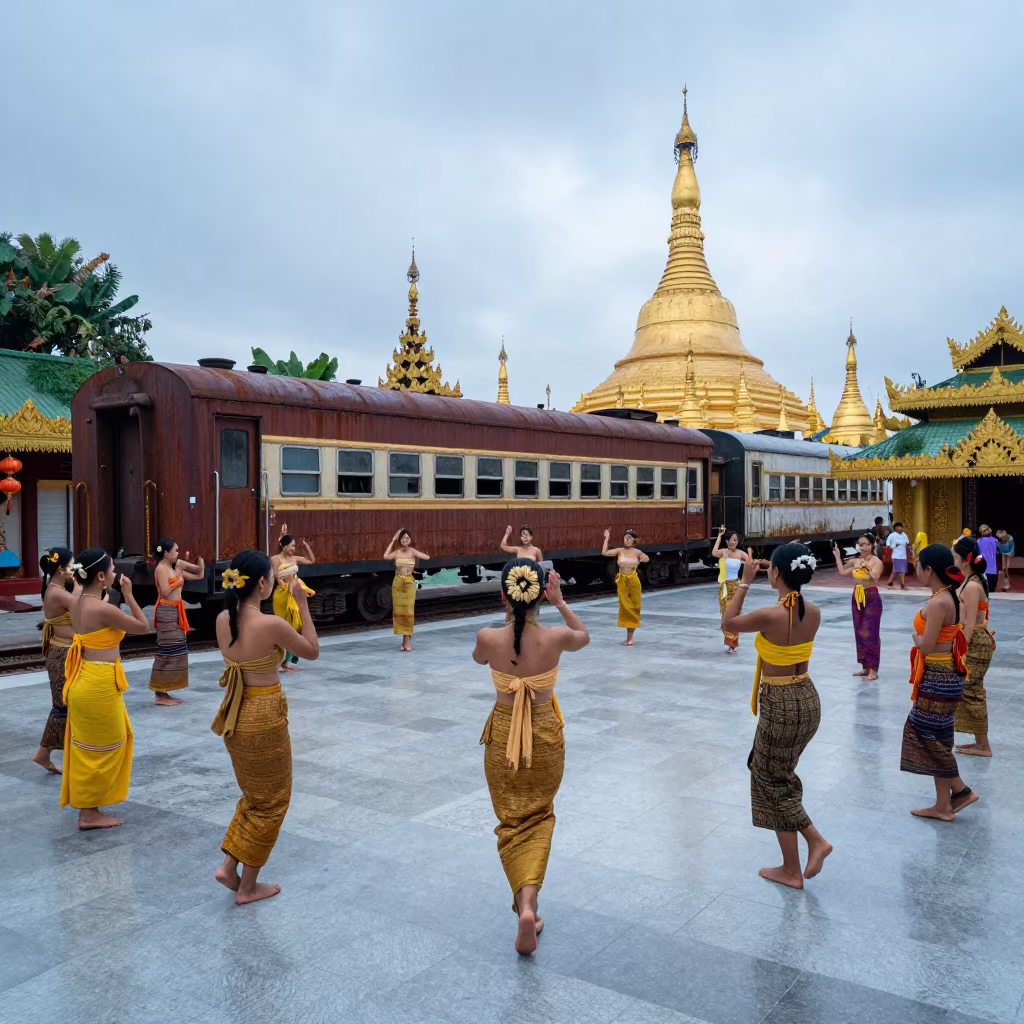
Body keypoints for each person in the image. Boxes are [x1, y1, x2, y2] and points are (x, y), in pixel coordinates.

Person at [474, 559, 589, 953]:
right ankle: (529, 905)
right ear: (543, 593)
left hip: (503, 737)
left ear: (503, 594)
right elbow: (583, 635)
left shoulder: (488, 638)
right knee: (539, 815)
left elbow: (478, 658)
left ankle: (526, 906)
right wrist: (560, 602)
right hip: (544, 736)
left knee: (510, 819)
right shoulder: (556, 638)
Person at [721, 542, 832, 889]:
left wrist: (743, 583)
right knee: (776, 775)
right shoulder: (811, 611)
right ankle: (791, 869)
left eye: (770, 569)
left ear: (777, 573)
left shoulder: (771, 615)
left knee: (769, 777)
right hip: (807, 697)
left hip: (781, 701)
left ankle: (815, 840)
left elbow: (729, 623)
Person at [211, 549, 319, 904]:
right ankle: (247, 886)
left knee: (254, 797)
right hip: (264, 715)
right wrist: (301, 604)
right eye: (272, 575)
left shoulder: (222, 620)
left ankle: (230, 866)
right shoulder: (271, 624)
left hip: (235, 713)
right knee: (273, 801)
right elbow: (311, 650)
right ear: (262, 583)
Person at [61, 549, 149, 829]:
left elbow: (95, 612)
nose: (115, 573)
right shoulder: (103, 609)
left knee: (88, 748)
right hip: (98, 683)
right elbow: (142, 626)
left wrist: (108, 598)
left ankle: (89, 806)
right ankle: (88, 813)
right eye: (111, 570)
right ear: (101, 576)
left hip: (82, 679)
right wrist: (131, 595)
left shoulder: (77, 602)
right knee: (106, 747)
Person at [902, 544, 978, 821]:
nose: (916, 569)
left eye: (919, 565)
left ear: (929, 569)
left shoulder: (938, 603)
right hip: (948, 674)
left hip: (937, 676)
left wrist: (916, 640)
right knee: (939, 738)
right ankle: (943, 806)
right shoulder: (952, 596)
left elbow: (927, 645)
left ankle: (960, 789)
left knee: (922, 733)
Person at [33, 547, 77, 774]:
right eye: (72, 565)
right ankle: (44, 752)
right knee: (63, 706)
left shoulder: (55, 587)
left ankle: (45, 752)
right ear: (61, 568)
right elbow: (83, 609)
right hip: (62, 653)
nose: (75, 568)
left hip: (61, 651)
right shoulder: (59, 592)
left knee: (64, 705)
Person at [952, 536, 995, 758]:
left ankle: (984, 745)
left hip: (974, 641)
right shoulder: (972, 581)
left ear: (964, 560)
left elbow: (968, 624)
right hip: (976, 638)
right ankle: (979, 741)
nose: (953, 560)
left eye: (956, 556)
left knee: (972, 691)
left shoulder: (971, 586)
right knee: (971, 689)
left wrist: (961, 650)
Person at [148, 538, 205, 705]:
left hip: (175, 611)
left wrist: (198, 561)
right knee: (167, 650)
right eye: (176, 550)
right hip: (166, 612)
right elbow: (165, 591)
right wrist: (179, 580)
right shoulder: (161, 569)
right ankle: (160, 693)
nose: (178, 553)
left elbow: (199, 574)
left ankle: (165, 691)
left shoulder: (174, 568)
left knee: (176, 649)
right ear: (166, 553)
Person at [832, 535, 884, 681]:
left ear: (872, 545)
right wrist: (837, 556)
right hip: (857, 595)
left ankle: (873, 669)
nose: (863, 547)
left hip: (871, 597)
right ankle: (865, 667)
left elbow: (874, 577)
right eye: (860, 545)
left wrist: (863, 568)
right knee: (860, 631)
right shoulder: (855, 561)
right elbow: (842, 572)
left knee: (870, 633)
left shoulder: (876, 562)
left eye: (866, 544)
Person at [271, 525, 315, 670]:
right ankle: (282, 659)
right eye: (291, 546)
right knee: (285, 627)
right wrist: (288, 588)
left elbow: (311, 560)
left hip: (294, 593)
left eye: (294, 546)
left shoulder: (295, 558)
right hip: (283, 595)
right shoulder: (276, 559)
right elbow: (278, 578)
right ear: (283, 547)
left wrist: (306, 546)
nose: (293, 549)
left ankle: (288, 660)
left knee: (296, 626)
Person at [383, 528, 430, 651]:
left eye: (407, 538)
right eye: (403, 538)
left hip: (409, 582)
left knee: (408, 612)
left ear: (410, 540)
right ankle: (404, 642)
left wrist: (416, 552)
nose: (405, 540)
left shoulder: (412, 551)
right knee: (399, 613)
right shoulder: (397, 552)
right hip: (398, 582)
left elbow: (427, 557)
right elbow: (385, 556)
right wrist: (393, 541)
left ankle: (407, 642)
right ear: (400, 540)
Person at [602, 528, 648, 645]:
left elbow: (646, 558)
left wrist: (644, 558)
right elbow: (604, 553)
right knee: (625, 606)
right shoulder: (620, 551)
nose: (626, 540)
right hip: (622, 580)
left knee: (634, 606)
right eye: (625, 538)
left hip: (633, 580)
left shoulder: (637, 552)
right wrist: (606, 538)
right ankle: (628, 638)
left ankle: (630, 638)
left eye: (629, 538)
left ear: (634, 541)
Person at [712, 526, 751, 652]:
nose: (735, 542)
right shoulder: (723, 552)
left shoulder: (740, 553)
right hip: (724, 587)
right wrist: (719, 536)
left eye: (736, 540)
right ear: (727, 541)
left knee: (734, 614)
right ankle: (730, 640)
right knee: (725, 614)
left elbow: (750, 561)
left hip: (736, 586)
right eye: (733, 540)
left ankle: (733, 643)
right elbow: (714, 553)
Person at [886, 522, 911, 589]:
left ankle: (900, 584)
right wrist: (894, 545)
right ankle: (890, 581)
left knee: (902, 570)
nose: (901, 528)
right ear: (895, 528)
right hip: (896, 556)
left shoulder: (904, 535)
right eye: (899, 527)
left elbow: (908, 543)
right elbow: (888, 545)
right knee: (896, 570)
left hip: (903, 556)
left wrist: (909, 547)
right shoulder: (892, 535)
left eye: (901, 527)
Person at [976, 526, 999, 594]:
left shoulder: (978, 541)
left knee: (984, 589)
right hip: (992, 568)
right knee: (992, 589)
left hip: (983, 568)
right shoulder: (995, 540)